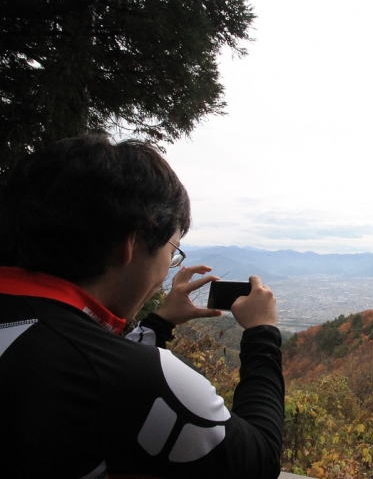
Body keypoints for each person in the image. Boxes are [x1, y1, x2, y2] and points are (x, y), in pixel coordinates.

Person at [0, 135, 284, 478]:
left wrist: (160, 323)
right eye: (172, 251)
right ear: (132, 243)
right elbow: (259, 460)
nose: (168, 268)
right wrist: (262, 333)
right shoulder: (135, 378)